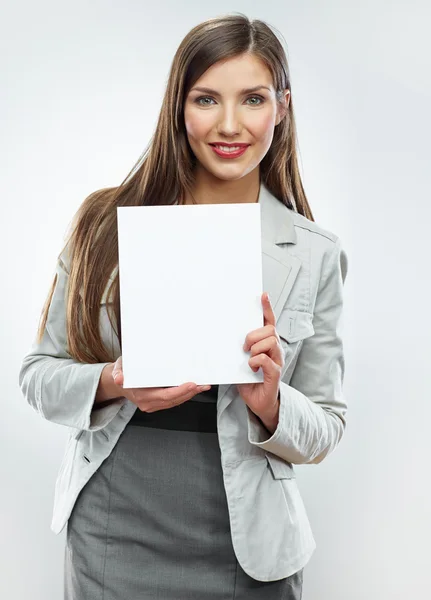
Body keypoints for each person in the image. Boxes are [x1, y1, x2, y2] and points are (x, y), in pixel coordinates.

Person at [18, 12, 348, 600]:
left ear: (282, 108)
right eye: (205, 99)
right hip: (114, 527)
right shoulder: (104, 226)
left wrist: (272, 404)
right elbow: (39, 376)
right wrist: (115, 381)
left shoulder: (315, 254)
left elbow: (326, 426)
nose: (229, 124)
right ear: (179, 106)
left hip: (248, 543)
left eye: (252, 99)